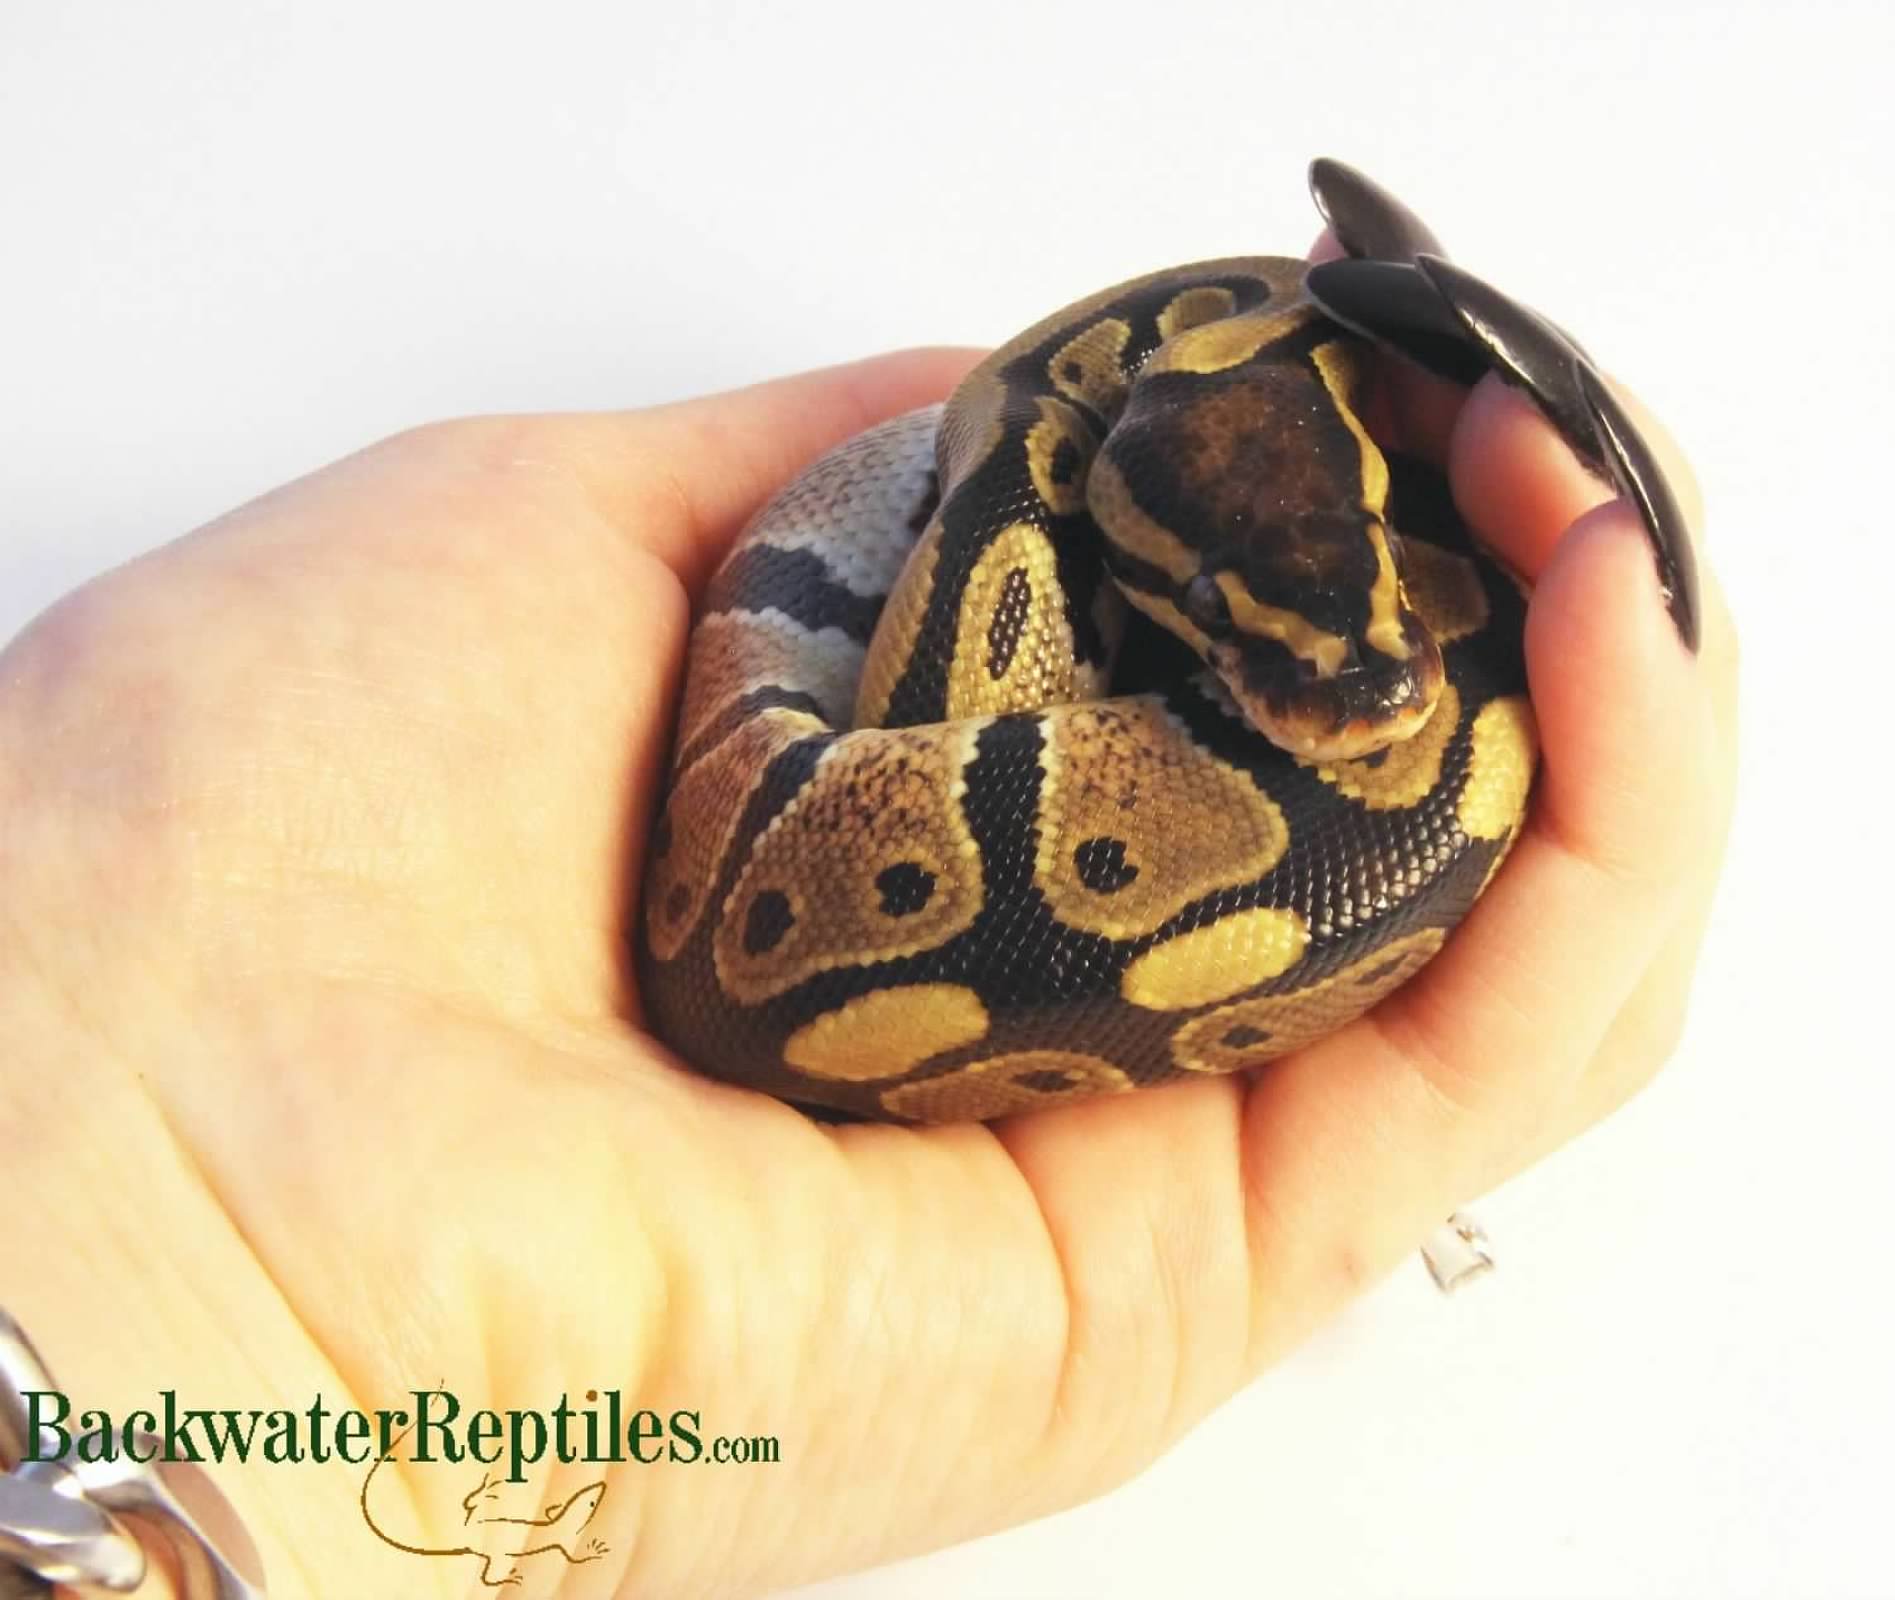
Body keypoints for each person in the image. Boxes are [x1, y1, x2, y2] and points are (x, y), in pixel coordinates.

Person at [0, 278, 1736, 1597]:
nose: (1356, 693)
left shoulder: (1105, 467)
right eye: (1226, 622)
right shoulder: (1037, 468)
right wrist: (232, 1285)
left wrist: (222, 1309)